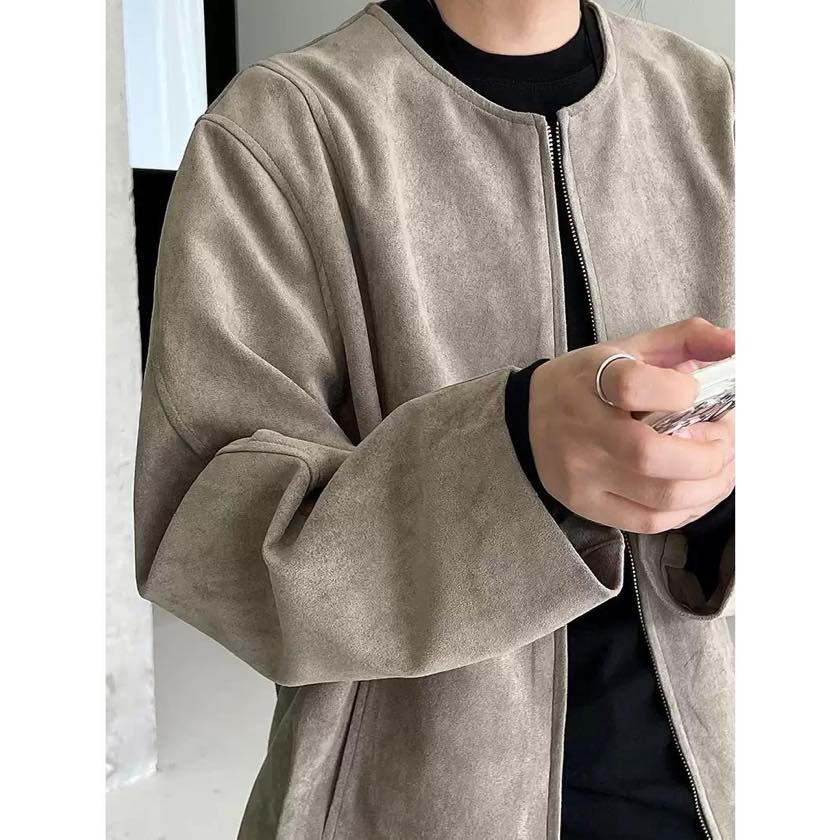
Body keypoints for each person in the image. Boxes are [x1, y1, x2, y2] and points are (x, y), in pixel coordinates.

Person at [133, 1, 735, 837]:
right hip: (408, 804)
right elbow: (209, 545)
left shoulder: (713, 102)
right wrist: (512, 456)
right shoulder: (283, 131)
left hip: (712, 786)